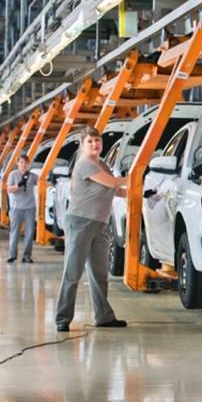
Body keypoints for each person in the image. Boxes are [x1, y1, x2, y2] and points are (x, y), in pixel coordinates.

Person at [55, 127, 128, 332]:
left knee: (99, 273)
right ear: (82, 144)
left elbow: (114, 190)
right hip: (80, 222)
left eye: (97, 140)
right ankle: (62, 318)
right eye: (90, 141)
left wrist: (142, 193)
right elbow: (112, 182)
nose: (95, 144)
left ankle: (104, 317)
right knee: (73, 272)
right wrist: (134, 176)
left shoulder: (102, 164)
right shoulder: (84, 164)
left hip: (100, 223)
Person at [6, 154, 39, 263]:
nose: (23, 165)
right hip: (16, 208)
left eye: (25, 163)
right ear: (18, 163)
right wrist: (18, 185)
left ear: (28, 164)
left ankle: (26, 256)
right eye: (21, 162)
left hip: (30, 207)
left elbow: (42, 183)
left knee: (29, 233)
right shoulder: (13, 174)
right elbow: (8, 190)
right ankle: (12, 255)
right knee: (14, 232)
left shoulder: (32, 176)